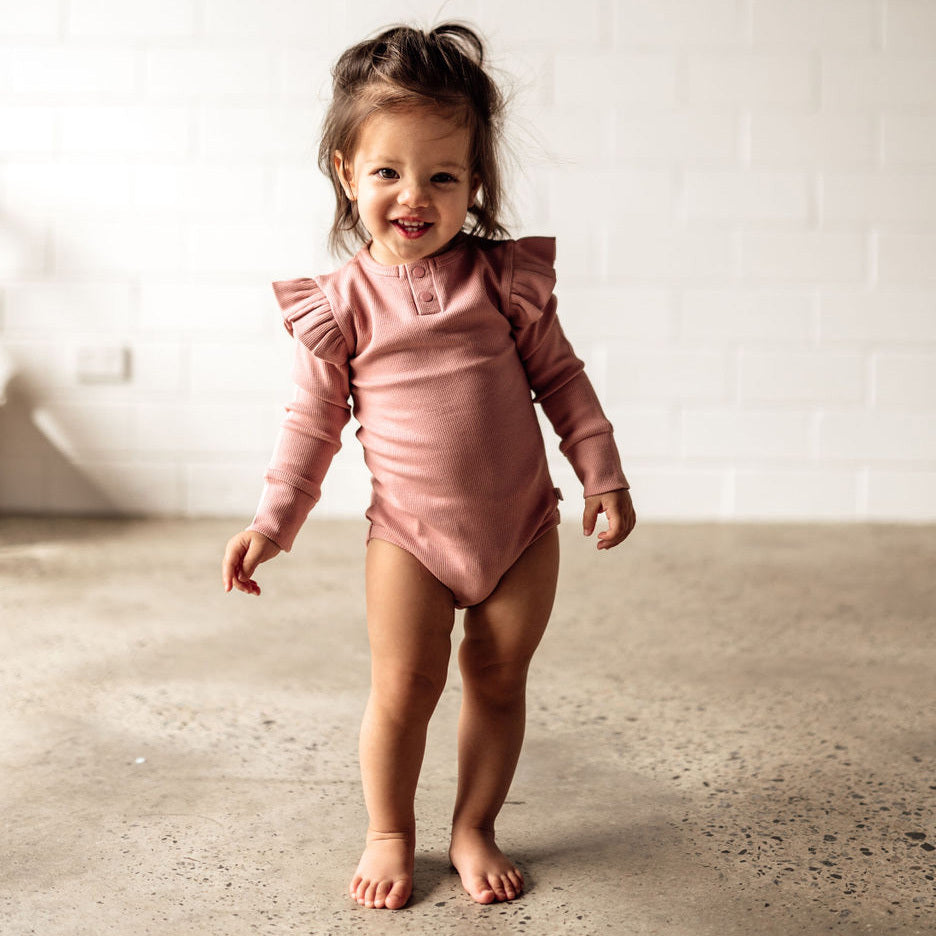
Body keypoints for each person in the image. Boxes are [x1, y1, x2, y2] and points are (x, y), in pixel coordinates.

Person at [222, 22, 636, 911]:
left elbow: (562, 380)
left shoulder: (503, 283)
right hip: (410, 538)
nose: (414, 196)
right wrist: (272, 524)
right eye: (388, 173)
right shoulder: (338, 309)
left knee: (497, 677)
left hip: (520, 529)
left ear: (474, 183)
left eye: (443, 176)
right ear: (346, 172)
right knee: (403, 687)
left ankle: (475, 824)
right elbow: (312, 424)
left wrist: (601, 471)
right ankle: (389, 829)